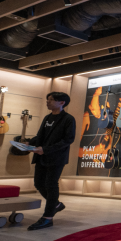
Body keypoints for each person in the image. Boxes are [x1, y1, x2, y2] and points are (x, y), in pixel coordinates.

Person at [25, 92, 76, 230]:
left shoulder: (68, 119)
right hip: (42, 156)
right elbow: (41, 136)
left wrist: (46, 149)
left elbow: (68, 140)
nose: (48, 102)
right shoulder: (47, 117)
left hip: (56, 157)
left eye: (51, 100)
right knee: (38, 183)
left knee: (51, 185)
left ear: (62, 103)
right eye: (48, 99)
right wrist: (29, 143)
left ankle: (48, 218)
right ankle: (56, 205)